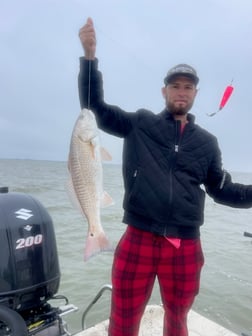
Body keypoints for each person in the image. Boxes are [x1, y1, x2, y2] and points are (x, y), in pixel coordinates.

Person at [78, 18, 252, 336]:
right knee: (123, 322)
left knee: (177, 322)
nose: (181, 92)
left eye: (187, 87)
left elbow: (222, 189)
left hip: (184, 245)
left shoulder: (207, 143)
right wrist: (90, 56)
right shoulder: (140, 123)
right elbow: (95, 109)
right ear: (165, 90)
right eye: (175, 86)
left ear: (195, 93)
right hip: (138, 238)